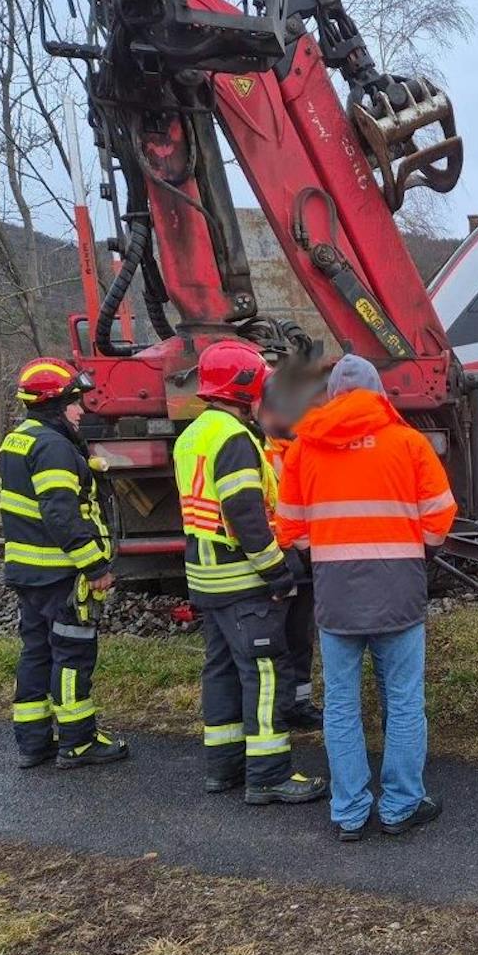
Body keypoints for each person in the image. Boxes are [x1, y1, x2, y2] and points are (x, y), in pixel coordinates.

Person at [274, 354, 457, 840]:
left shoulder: (303, 450)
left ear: (333, 396)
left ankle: (350, 812)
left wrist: (329, 552)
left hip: (337, 595)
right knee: (402, 702)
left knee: (340, 705)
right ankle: (399, 806)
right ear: (380, 394)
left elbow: (288, 525)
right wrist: (415, 550)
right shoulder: (407, 443)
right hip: (398, 592)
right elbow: (440, 516)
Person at [172, 338, 329, 806]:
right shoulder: (235, 440)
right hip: (242, 581)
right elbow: (246, 517)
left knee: (220, 672)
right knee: (265, 676)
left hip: (205, 579)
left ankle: (223, 770)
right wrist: (278, 574)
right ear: (245, 388)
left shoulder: (193, 434)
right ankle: (267, 776)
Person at [0, 357, 130, 770]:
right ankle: (78, 741)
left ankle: (33, 743)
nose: (80, 410)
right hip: (60, 573)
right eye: (74, 402)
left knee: (36, 652)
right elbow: (61, 515)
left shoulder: (15, 440)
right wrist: (95, 566)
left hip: (27, 571)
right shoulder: (53, 446)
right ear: (55, 404)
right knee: (72, 653)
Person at [259, 395, 322, 732]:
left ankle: (298, 703)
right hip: (276, 554)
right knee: (279, 640)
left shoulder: (300, 445)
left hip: (299, 552)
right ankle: (282, 707)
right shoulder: (261, 449)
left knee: (300, 636)